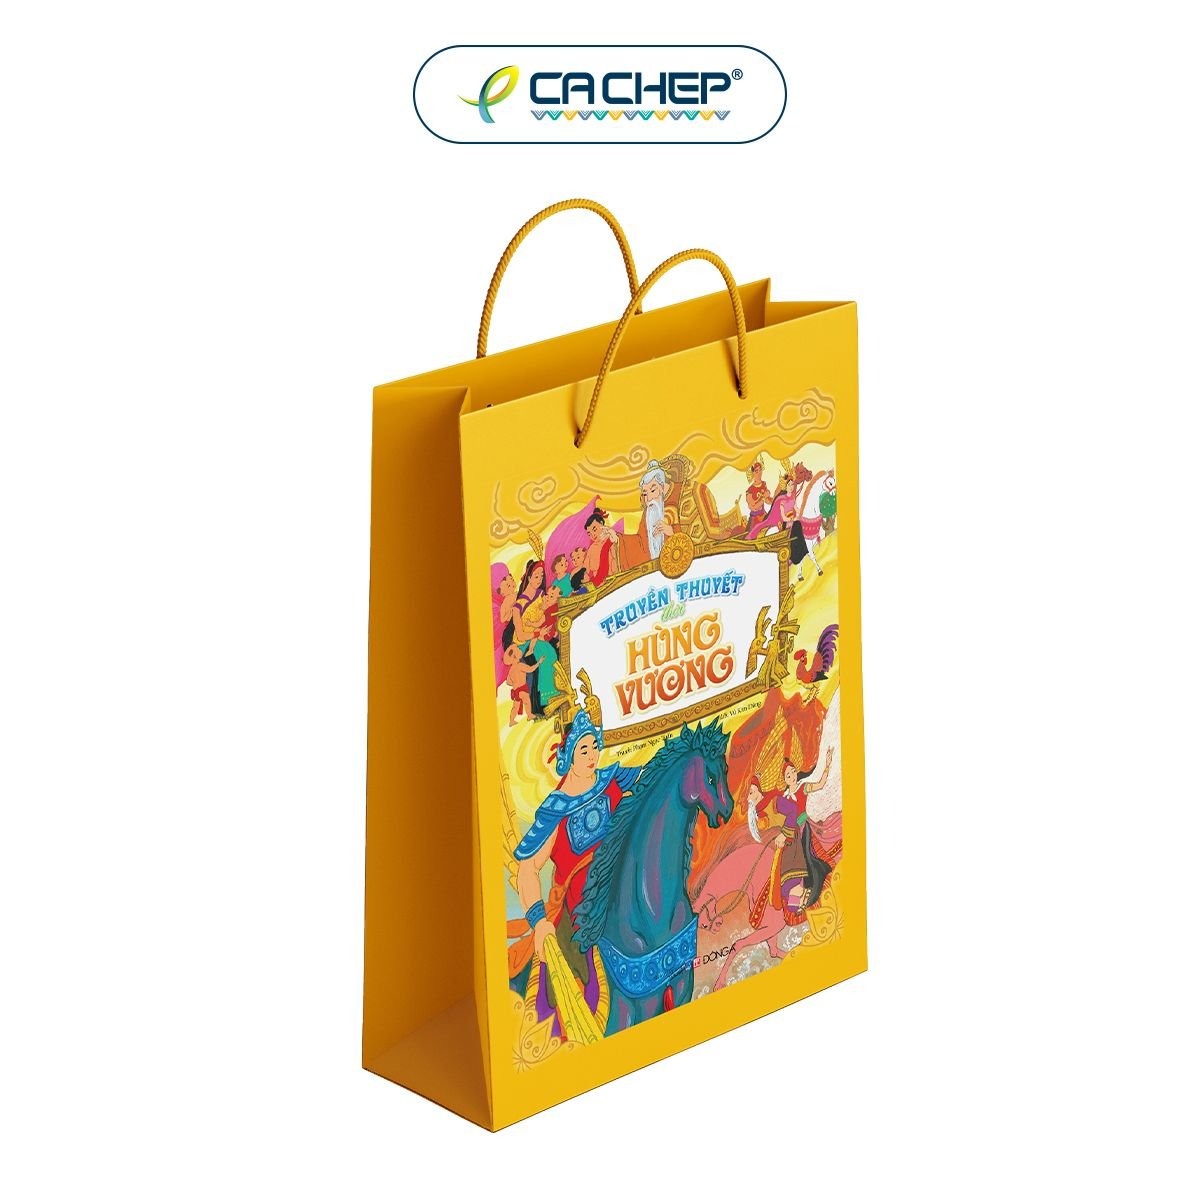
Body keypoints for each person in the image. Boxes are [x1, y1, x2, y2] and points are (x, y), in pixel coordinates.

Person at [511, 712, 641, 989]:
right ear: (568, 756)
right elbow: (528, 868)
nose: (593, 755)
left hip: (627, 891)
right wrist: (539, 922)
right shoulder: (556, 810)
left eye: (594, 746)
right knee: (570, 983)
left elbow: (651, 777)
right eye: (583, 750)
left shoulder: (612, 780)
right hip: (581, 912)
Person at [508, 559, 560, 714]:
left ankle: (556, 697)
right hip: (524, 642)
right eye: (536, 576)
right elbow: (520, 634)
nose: (539, 580)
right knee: (547, 654)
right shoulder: (518, 606)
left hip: (541, 634)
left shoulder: (542, 595)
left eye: (541, 576)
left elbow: (547, 614)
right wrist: (538, 633)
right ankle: (544, 701)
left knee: (553, 651)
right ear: (529, 577)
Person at [616, 460, 677, 568]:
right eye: (645, 494)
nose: (649, 499)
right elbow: (640, 542)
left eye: (653, 491)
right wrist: (618, 539)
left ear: (662, 488)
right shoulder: (648, 513)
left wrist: (671, 531)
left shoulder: (673, 506)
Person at [502, 644, 541, 725]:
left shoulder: (511, 670)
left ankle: (511, 720)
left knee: (515, 707)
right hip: (522, 688)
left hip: (516, 690)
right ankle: (529, 715)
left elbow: (508, 681)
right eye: (518, 650)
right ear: (515, 657)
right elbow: (530, 669)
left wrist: (514, 683)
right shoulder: (520, 665)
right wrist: (538, 663)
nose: (520, 650)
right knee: (527, 702)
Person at [583, 509, 619, 585]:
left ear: (601, 524)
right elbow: (585, 569)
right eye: (589, 534)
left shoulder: (612, 540)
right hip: (598, 585)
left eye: (594, 529)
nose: (593, 535)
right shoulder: (591, 549)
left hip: (614, 582)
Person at [744, 459, 771, 534]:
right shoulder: (749, 490)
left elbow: (768, 501)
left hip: (764, 515)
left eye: (760, 470)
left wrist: (775, 499)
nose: (759, 473)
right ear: (752, 473)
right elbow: (753, 507)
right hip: (754, 519)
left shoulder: (763, 484)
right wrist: (763, 498)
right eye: (756, 471)